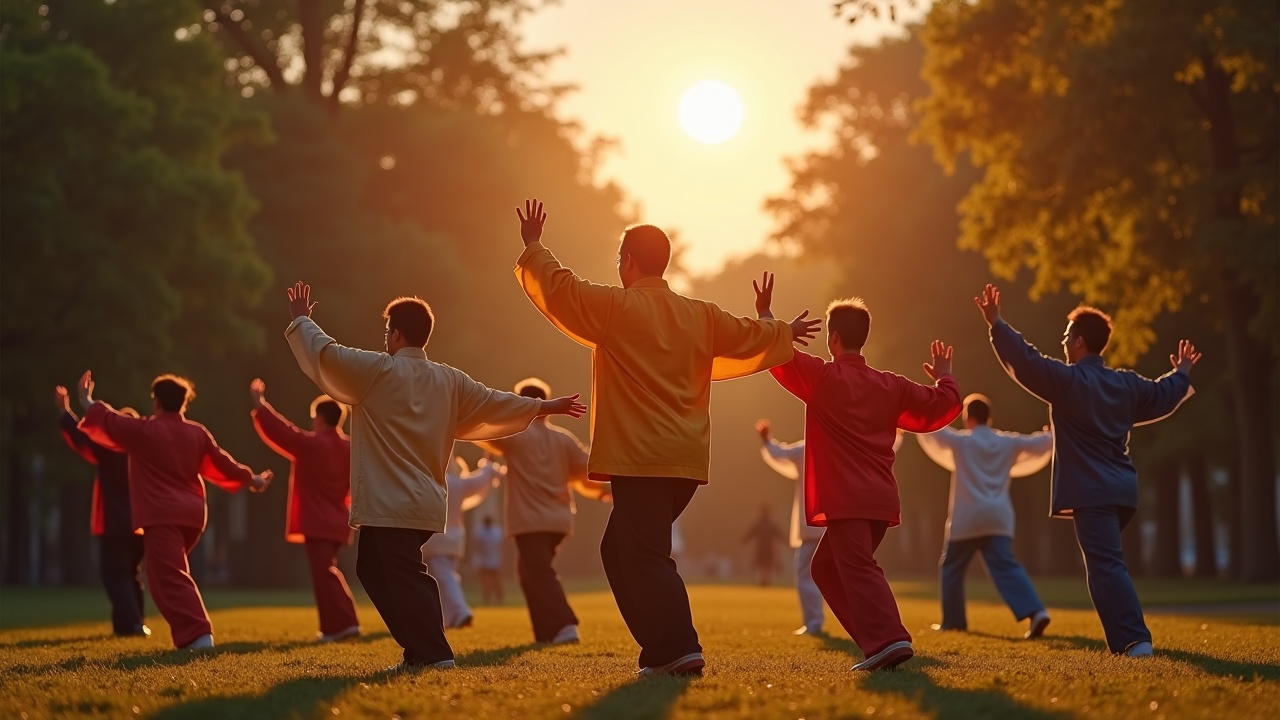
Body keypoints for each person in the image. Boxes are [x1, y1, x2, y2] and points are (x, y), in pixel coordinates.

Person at [513, 199, 820, 677]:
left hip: (640, 459)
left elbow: (561, 289)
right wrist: (778, 327)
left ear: (630, 262)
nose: (618, 268)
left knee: (644, 555)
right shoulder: (699, 314)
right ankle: (661, 650)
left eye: (620, 259)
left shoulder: (616, 308)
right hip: (684, 461)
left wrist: (534, 246)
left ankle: (678, 648)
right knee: (618, 551)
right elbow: (749, 336)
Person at [282, 282, 586, 672]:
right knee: (372, 570)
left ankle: (433, 653)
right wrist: (543, 405)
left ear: (395, 333)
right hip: (422, 500)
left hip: (389, 502)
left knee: (405, 574)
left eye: (386, 333)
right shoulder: (449, 379)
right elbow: (496, 401)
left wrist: (302, 319)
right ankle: (419, 650)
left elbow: (326, 354)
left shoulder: (375, 371)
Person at [975, 284, 1199, 657]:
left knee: (1106, 565)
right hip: (1122, 492)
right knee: (1102, 566)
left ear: (1079, 342)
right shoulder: (1125, 383)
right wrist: (1182, 373)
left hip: (1091, 492)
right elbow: (1163, 395)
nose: (1062, 342)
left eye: (1066, 336)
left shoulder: (1068, 382)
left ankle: (1136, 641)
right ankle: (1125, 643)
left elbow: (1026, 361)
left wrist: (997, 324)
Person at [765, 295, 961, 672]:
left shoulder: (822, 377)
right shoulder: (890, 385)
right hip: (880, 498)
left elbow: (777, 355)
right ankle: (877, 644)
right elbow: (941, 406)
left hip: (846, 499)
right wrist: (945, 376)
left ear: (832, 338)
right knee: (825, 568)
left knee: (857, 567)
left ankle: (890, 639)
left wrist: (768, 316)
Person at [75, 372, 273, 650]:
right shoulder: (196, 432)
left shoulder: (145, 430)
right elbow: (222, 462)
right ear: (183, 403)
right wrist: (253, 479)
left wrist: (85, 399)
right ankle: (191, 637)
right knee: (160, 577)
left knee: (169, 576)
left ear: (156, 401)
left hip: (162, 516)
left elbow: (109, 420)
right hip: (192, 517)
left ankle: (198, 635)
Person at [472, 377, 611, 645]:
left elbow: (482, 432)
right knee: (528, 573)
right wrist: (606, 491)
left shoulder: (515, 435)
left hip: (529, 520)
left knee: (539, 572)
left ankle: (564, 624)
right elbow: (586, 472)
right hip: (559, 520)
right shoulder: (564, 439)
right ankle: (545, 634)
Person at [915, 393, 1054, 638]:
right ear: (989, 418)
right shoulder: (1007, 442)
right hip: (997, 517)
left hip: (966, 518)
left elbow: (932, 431)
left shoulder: (961, 442)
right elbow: (1039, 444)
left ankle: (954, 621)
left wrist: (923, 403)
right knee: (1006, 567)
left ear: (968, 418)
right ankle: (1036, 612)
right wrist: (1051, 432)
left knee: (951, 568)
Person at [756, 421, 905, 636]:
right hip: (841, 520)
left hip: (812, 524)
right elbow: (875, 451)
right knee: (854, 572)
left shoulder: (803, 450)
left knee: (807, 574)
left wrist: (766, 440)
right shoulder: (843, 445)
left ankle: (815, 622)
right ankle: (869, 627)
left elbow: (779, 453)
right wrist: (896, 435)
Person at [249, 378, 360, 643]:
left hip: (316, 522)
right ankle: (335, 626)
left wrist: (260, 404)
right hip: (339, 522)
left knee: (324, 574)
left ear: (320, 418)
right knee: (327, 571)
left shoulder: (311, 446)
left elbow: (282, 431)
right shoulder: (351, 449)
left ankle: (343, 625)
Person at [54, 385, 148, 638]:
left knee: (114, 575)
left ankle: (134, 624)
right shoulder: (142, 452)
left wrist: (65, 411)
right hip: (141, 525)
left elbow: (81, 436)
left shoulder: (110, 449)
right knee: (130, 574)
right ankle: (126, 626)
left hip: (114, 523)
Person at [420, 456, 505, 628]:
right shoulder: (459, 483)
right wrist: (488, 467)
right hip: (454, 539)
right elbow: (480, 479)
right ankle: (447, 617)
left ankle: (459, 612)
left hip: (435, 539)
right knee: (446, 576)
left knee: (443, 577)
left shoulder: (430, 480)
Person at [740, 505, 784, 587]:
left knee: (762, 565)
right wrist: (787, 541)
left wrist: (743, 541)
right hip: (768, 549)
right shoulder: (770, 524)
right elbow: (779, 534)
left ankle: (762, 581)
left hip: (761, 549)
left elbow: (750, 534)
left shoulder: (759, 524)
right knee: (766, 565)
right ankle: (766, 581)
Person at [471, 515, 506, 605]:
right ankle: (496, 597)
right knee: (492, 581)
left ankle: (492, 597)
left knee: (490, 581)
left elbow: (477, 546)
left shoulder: (481, 532)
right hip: (492, 560)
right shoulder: (497, 532)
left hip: (487, 560)